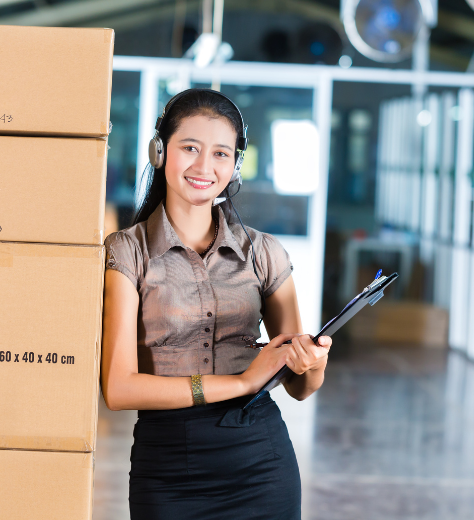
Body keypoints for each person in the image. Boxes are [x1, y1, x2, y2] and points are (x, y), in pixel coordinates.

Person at [101, 88, 332, 520]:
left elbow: (299, 388)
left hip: (261, 464)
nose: (204, 167)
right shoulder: (126, 252)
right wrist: (244, 382)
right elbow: (118, 388)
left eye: (221, 154)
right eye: (190, 148)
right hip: (167, 469)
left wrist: (311, 362)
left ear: (236, 165)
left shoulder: (264, 254)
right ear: (159, 151)